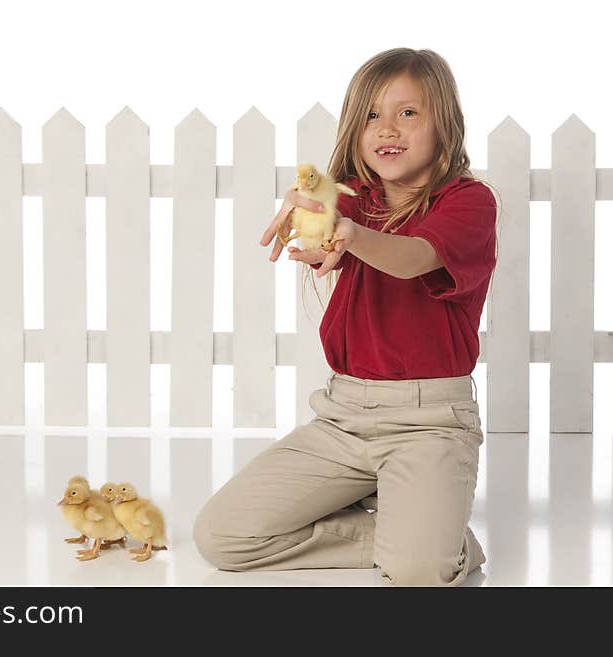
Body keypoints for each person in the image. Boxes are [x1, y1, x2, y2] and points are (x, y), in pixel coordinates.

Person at [193, 48, 501, 586]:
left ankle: (433, 538)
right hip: (344, 416)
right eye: (371, 115)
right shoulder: (353, 198)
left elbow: (411, 260)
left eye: (409, 113)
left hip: (428, 422)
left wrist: (353, 237)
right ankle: (413, 523)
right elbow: (327, 217)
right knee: (223, 536)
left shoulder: (469, 203)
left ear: (444, 124)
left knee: (419, 572)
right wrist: (317, 218)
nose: (388, 128)